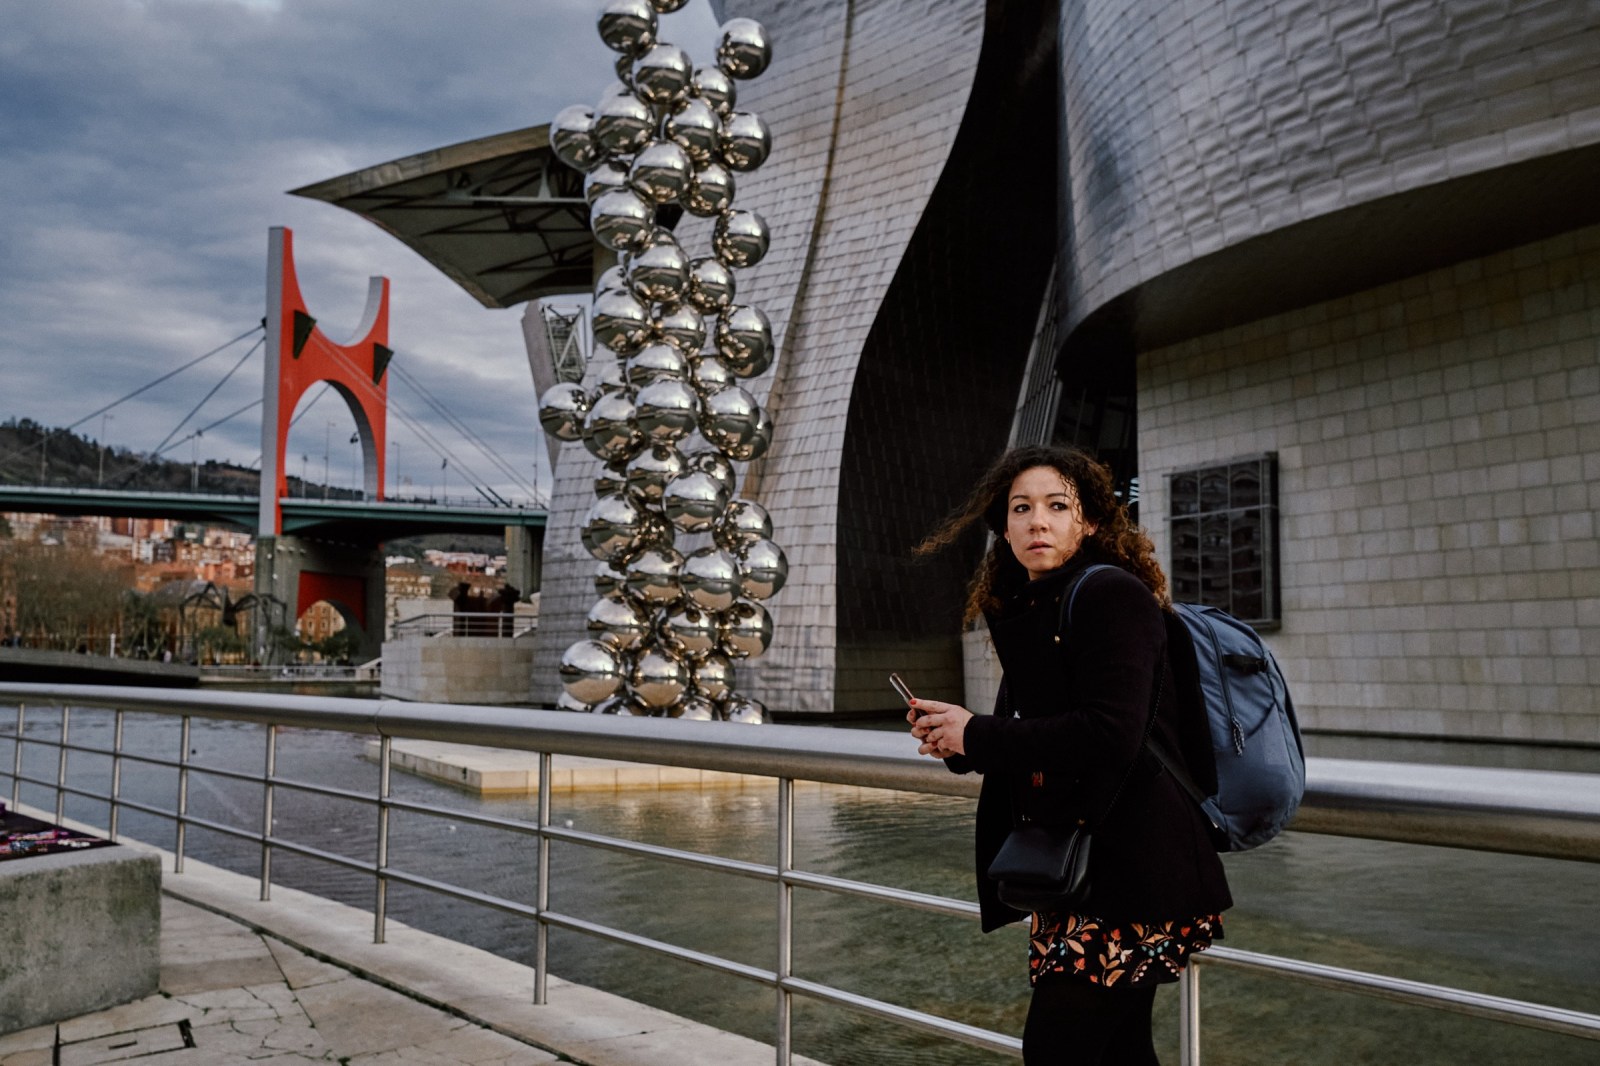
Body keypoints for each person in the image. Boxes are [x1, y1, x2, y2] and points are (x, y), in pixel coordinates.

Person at [908, 444, 1231, 1065]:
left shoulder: (1111, 595)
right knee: (1121, 1051)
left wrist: (978, 734)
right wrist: (958, 739)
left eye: (1058, 506)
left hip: (1131, 869)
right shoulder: (1035, 606)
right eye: (1021, 508)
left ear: (1088, 522)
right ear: (1003, 529)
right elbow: (1037, 731)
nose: (1038, 522)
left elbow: (1110, 734)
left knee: (1058, 1050)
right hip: (1087, 867)